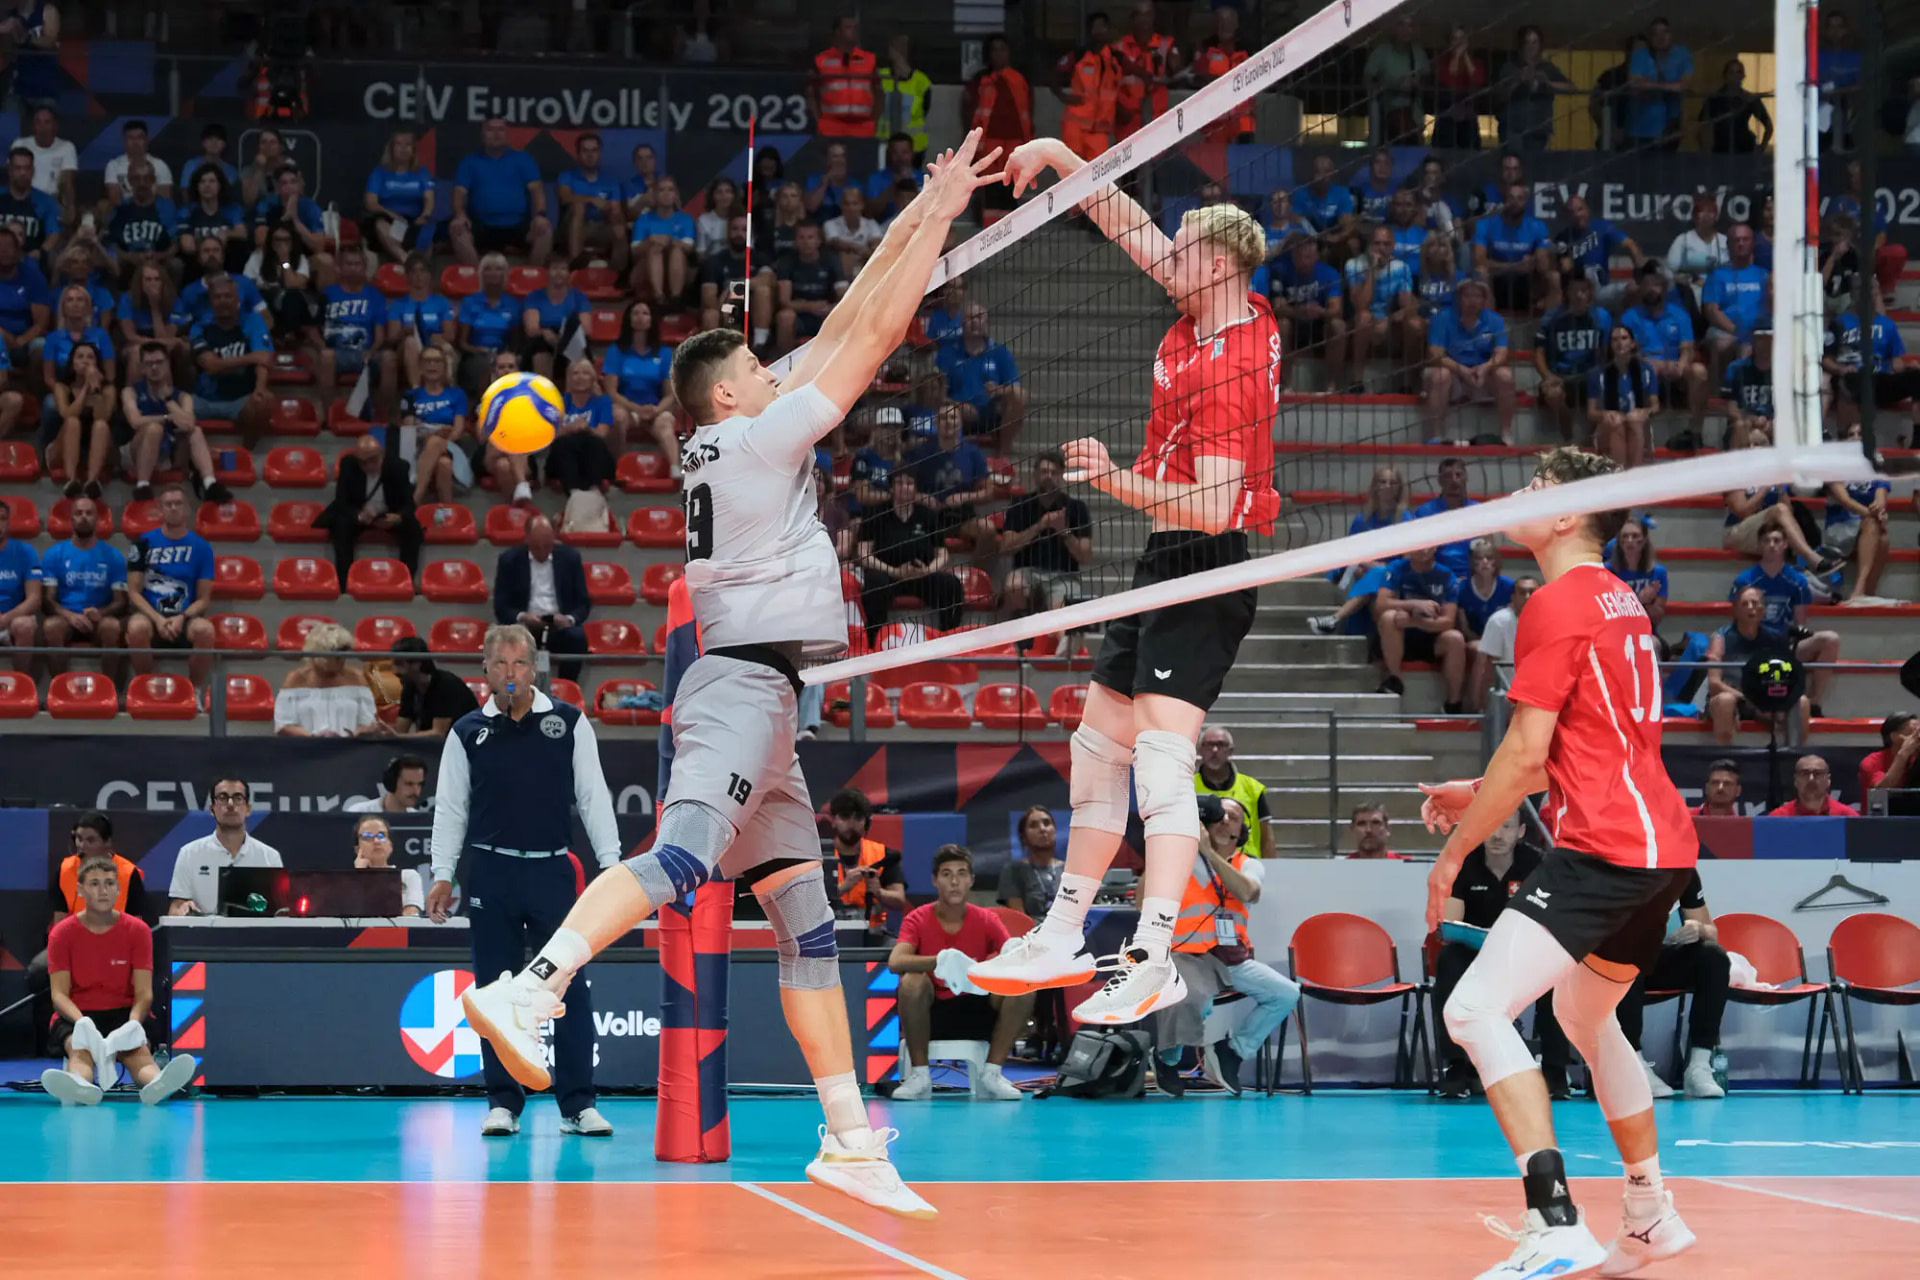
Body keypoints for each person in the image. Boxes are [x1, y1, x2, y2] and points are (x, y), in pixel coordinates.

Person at [453, 135, 996, 1218]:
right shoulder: (756, 442)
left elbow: (842, 322)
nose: (775, 366)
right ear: (730, 397)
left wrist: (924, 204)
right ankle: (532, 986)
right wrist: (938, 229)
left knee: (809, 922)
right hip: (740, 689)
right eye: (758, 368)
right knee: (679, 860)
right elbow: (872, 333)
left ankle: (847, 1137)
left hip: (771, 701)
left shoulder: (726, 436)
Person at [975, 138, 1282, 1019]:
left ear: (1216, 261)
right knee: (1094, 745)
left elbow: (1217, 510)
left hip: (1208, 562)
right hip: (1163, 561)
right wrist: (1056, 153)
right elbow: (1126, 221)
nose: (1162, 258)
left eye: (1180, 250)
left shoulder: (1229, 362)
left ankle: (1152, 951)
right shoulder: (1207, 310)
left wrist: (1108, 478)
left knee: (1157, 757)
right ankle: (1065, 933)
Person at [1420, 446, 1703, 1278]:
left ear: (1570, 515)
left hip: (1606, 849)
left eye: (1538, 489)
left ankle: (1555, 1221)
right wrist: (1478, 786)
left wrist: (1453, 852)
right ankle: (1649, 1208)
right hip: (1662, 851)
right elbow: (1570, 752)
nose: (1518, 496)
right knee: (1585, 1018)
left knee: (1472, 1011)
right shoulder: (1622, 601)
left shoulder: (1554, 601)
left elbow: (1526, 751)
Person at [429, 625, 619, 1138]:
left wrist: (611, 864)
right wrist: (443, 873)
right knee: (494, 992)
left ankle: (578, 1105)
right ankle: (503, 1104)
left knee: (570, 988)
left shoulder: (569, 721)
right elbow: (451, 809)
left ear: (533, 668)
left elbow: (594, 796)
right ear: (485, 669)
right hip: (492, 871)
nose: (510, 674)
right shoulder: (467, 731)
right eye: (500, 665)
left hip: (553, 871)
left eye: (519, 664)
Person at [1152, 794, 1299, 1096]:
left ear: (1242, 830)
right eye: (1219, 816)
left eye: (1233, 817)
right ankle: (1167, 1059)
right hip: (1189, 956)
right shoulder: (1183, 859)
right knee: (1194, 999)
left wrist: (1211, 854)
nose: (1225, 820)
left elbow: (1249, 893)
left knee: (1286, 993)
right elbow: (1148, 896)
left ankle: (1230, 1052)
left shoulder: (1249, 864)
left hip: (1233, 959)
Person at [1432, 811, 1571, 1099]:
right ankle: (1456, 1066)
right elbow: (1452, 925)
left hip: (1524, 954)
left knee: (1557, 971)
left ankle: (1555, 1071)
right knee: (1448, 961)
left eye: (1506, 827)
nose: (1497, 835)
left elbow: (1551, 918)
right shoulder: (1465, 864)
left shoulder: (1536, 864)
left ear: (1520, 831)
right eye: (1492, 827)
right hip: (1476, 954)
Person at [41, 856, 197, 1107]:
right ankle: (80, 1086)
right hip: (77, 1014)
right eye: (94, 883)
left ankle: (156, 1083)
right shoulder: (62, 933)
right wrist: (81, 1022)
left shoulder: (138, 930)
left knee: (139, 1053)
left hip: (125, 1012)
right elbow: (59, 994)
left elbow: (144, 993)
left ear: (119, 889)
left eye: (109, 883)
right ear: (80, 889)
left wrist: (133, 1024)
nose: (102, 890)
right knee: (80, 1051)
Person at [888, 845, 1029, 1101]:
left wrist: (1014, 951)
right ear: (934, 880)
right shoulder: (917, 918)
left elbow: (1011, 955)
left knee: (1023, 986)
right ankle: (920, 1076)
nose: (954, 881)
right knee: (911, 981)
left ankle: (992, 1074)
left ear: (971, 880)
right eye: (946, 874)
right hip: (931, 1014)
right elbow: (895, 961)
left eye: (962, 873)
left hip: (978, 1009)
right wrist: (940, 960)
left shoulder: (986, 919)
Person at [1612, 870, 1731, 1100]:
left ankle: (1698, 1067)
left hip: (1659, 957)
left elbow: (1711, 931)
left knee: (1714, 957)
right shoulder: (1616, 865)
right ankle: (1634, 1067)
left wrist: (1698, 930)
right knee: (1628, 956)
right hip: (1614, 957)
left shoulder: (1683, 870)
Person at [1730, 525, 1842, 711]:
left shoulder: (1797, 581)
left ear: (1785, 545)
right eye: (1767, 541)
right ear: (1760, 545)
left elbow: (1800, 623)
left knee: (1831, 639)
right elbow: (1737, 619)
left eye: (1776, 541)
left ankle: (1813, 702)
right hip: (1753, 647)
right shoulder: (1746, 580)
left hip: (1784, 646)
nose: (1772, 545)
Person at [856, 469, 966, 638]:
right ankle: (873, 640)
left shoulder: (928, 515)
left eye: (909, 483)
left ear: (915, 488)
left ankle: (949, 637)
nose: (904, 487)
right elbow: (863, 554)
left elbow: (942, 553)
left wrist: (927, 570)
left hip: (920, 575)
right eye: (899, 483)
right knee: (874, 583)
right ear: (891, 488)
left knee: (951, 585)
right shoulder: (875, 514)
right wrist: (893, 571)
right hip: (888, 574)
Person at [125, 485, 215, 686]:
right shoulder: (142, 542)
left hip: (184, 617)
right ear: (160, 509)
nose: (173, 508)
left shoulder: (202, 547)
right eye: (168, 504)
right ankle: (143, 684)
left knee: (206, 630)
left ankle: (195, 690)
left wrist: (181, 618)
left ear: (188, 509)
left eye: (178, 503)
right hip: (150, 615)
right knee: (136, 627)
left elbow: (204, 598)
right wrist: (157, 619)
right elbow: (133, 591)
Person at [123, 340, 227, 503]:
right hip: (139, 449)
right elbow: (135, 421)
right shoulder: (130, 392)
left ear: (167, 365)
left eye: (159, 362)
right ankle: (142, 485)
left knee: (196, 431)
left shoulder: (182, 396)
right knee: (154, 429)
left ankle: (210, 484)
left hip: (170, 451)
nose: (154, 368)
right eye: (149, 364)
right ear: (142, 368)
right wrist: (167, 418)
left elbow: (189, 424)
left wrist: (168, 400)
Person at [1704, 585, 1808, 745]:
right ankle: (1725, 760)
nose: (1751, 608)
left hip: (1764, 697)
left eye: (1755, 603)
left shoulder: (1775, 639)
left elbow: (1787, 677)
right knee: (1725, 701)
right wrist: (1750, 699)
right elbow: (1714, 684)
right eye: (1745, 604)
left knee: (1801, 702)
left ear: (1763, 610)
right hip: (1734, 696)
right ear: (1735, 610)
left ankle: (1793, 756)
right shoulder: (1720, 638)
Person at [493, 514, 591, 683]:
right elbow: (501, 606)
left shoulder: (570, 558)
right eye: (537, 547)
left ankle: (567, 688)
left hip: (560, 626)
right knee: (507, 639)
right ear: (527, 540)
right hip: (524, 627)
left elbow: (583, 602)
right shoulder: (509, 560)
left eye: (547, 546)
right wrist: (523, 616)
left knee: (577, 637)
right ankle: (515, 690)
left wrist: (568, 619)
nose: (543, 552)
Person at [999, 448, 1094, 620]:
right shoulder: (1020, 504)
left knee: (1065, 614)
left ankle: (1062, 642)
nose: (1049, 476)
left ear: (1062, 475)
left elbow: (1086, 556)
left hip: (1064, 575)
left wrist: (1063, 531)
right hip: (1027, 572)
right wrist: (1040, 526)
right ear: (1035, 474)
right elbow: (1005, 547)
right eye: (1044, 472)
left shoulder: (1077, 508)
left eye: (1054, 472)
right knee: (1014, 585)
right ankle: (1023, 640)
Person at [1621, 262, 1709, 443]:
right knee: (1644, 370)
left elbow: (1687, 348)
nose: (1651, 289)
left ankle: (1695, 432)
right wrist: (1654, 364)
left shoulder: (1679, 314)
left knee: (1699, 371)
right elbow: (1626, 352)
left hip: (1675, 372)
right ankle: (1641, 436)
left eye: (1656, 284)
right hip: (1645, 372)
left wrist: (1682, 365)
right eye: (1646, 284)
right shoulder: (1630, 316)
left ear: (1664, 287)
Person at [169, 776, 283, 914]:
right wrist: (183, 908)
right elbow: (176, 906)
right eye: (223, 798)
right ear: (212, 809)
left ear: (248, 809)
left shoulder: (269, 857)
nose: (230, 804)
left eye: (238, 798)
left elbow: (279, 912)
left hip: (256, 935)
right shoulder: (189, 853)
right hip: (204, 934)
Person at [1424, 276, 1516, 445]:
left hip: (1482, 376)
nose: (1472, 301)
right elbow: (1435, 354)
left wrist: (1485, 368)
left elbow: (1501, 353)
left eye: (1477, 296)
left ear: (1484, 299)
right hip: (1453, 373)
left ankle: (1506, 433)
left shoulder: (1495, 320)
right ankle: (1435, 434)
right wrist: (1461, 370)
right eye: (1467, 295)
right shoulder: (1442, 318)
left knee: (1505, 376)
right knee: (1440, 375)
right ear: (1458, 297)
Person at [1373, 544, 1467, 709]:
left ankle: (1454, 702)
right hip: (1398, 636)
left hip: (1429, 637)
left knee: (1455, 638)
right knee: (1388, 617)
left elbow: (1448, 621)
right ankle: (1395, 679)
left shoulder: (1446, 575)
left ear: (1435, 548)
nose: (1422, 549)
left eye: (1427, 545)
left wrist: (1414, 622)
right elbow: (1381, 604)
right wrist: (1415, 604)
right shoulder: (1395, 568)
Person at [450, 117, 552, 266]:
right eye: (490, 130)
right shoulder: (469, 162)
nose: (496, 134)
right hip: (482, 226)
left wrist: (540, 215)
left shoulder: (523, 159)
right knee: (457, 228)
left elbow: (537, 191)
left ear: (507, 134)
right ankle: (477, 280)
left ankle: (534, 277)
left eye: (501, 130)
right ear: (482, 134)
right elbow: (459, 193)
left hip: (517, 226)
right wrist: (460, 214)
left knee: (545, 228)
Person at [187, 274, 275, 446]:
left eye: (228, 296)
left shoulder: (253, 320)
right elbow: (210, 366)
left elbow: (263, 360)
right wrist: (250, 357)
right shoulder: (199, 327)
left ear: (238, 299)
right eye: (217, 297)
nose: (223, 301)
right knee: (172, 408)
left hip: (240, 399)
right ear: (211, 301)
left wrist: (260, 388)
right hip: (204, 399)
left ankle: (247, 451)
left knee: (265, 401)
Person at [313, 243, 394, 418]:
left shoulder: (375, 295)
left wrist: (372, 351)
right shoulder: (328, 293)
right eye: (348, 264)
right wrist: (322, 347)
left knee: (389, 358)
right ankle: (331, 416)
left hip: (365, 352)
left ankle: (382, 416)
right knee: (326, 357)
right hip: (336, 353)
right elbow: (313, 329)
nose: (353, 268)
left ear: (364, 268)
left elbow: (380, 335)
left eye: (357, 264)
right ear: (340, 268)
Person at [935, 301, 1025, 450]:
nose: (975, 322)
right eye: (970, 318)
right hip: (958, 412)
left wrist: (999, 390)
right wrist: (957, 405)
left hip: (990, 411)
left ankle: (1003, 454)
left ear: (986, 322)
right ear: (962, 323)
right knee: (946, 410)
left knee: (1019, 395)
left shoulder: (1000, 352)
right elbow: (938, 394)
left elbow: (1015, 387)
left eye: (979, 317)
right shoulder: (946, 353)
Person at [601, 299, 680, 469]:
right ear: (628, 319)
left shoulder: (665, 353)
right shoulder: (616, 350)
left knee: (665, 422)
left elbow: (670, 394)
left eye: (645, 313)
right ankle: (615, 466)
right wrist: (637, 409)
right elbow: (611, 392)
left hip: (655, 408)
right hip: (627, 407)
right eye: (635, 313)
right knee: (617, 416)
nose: (640, 317)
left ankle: (675, 470)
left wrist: (656, 410)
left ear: (652, 320)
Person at [1535, 276, 1612, 443]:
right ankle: (1568, 438)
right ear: (1566, 293)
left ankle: (1589, 439)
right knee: (1553, 393)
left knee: (1607, 384)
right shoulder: (1552, 317)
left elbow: (1605, 353)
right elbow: (1538, 353)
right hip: (1560, 375)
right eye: (1574, 291)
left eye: (1583, 291)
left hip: (1589, 375)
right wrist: (1547, 376)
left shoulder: (1602, 317)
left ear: (1590, 293)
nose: (1579, 295)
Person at [1344, 224, 1418, 392]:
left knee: (1413, 324)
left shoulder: (1402, 268)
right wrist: (1372, 270)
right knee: (1364, 317)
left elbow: (1407, 306)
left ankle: (1406, 382)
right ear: (1369, 245)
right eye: (1377, 243)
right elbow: (1361, 305)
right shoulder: (1353, 265)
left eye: (1386, 244)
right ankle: (1357, 380)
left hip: (1389, 323)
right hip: (1360, 322)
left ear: (1392, 246)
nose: (1381, 248)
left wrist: (1389, 320)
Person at [1268, 236, 1348, 389]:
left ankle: (1332, 385)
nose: (1304, 261)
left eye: (1309, 256)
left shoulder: (1329, 273)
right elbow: (1277, 307)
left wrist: (1320, 311)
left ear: (1317, 256)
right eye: (1300, 256)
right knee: (1282, 324)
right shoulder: (1281, 271)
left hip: (1319, 323)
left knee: (1338, 325)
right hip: (1294, 321)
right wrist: (1300, 311)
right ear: (1293, 256)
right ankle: (1286, 385)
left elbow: (1336, 309)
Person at [275, 623, 379, 738]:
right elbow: (284, 725)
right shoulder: (296, 679)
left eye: (344, 656)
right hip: (307, 749)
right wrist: (313, 736)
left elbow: (369, 723)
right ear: (318, 656)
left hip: (350, 748)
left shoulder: (356, 677)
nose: (342, 661)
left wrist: (355, 734)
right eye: (336, 657)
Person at [1473, 182, 1559, 316]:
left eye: (1520, 198)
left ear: (1526, 202)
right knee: (1480, 272)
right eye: (1511, 198)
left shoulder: (1538, 226)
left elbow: (1543, 264)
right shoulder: (1485, 224)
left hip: (1526, 281)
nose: (1515, 202)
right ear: (1504, 201)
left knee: (1554, 277)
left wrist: (1534, 261)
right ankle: (1489, 327)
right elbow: (1479, 260)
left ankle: (1546, 328)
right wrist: (1514, 266)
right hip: (1496, 280)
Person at [45, 340, 115, 503]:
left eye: (90, 357)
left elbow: (103, 416)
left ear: (97, 364)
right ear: (72, 363)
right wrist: (85, 389)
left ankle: (92, 481)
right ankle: (71, 481)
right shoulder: (62, 387)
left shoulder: (108, 389)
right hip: (64, 446)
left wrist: (95, 388)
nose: (85, 361)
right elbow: (67, 413)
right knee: (72, 422)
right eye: (80, 357)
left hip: (97, 448)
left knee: (101, 425)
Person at [402, 345, 471, 506]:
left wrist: (438, 438)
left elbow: (458, 430)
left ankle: (415, 498)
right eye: (427, 361)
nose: (432, 365)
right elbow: (408, 432)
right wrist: (432, 435)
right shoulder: (411, 396)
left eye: (437, 361)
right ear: (420, 366)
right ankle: (447, 512)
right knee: (443, 464)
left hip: (450, 445)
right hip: (417, 448)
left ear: (444, 366)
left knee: (437, 444)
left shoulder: (457, 394)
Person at [1585, 324, 1660, 470]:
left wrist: (1645, 412)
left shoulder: (1646, 370)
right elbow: (1591, 413)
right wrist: (1605, 414)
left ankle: (1634, 475)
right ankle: (1619, 475)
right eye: (1615, 340)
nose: (1620, 343)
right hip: (1609, 425)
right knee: (1616, 422)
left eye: (1624, 338)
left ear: (1633, 343)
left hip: (1636, 422)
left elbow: (1655, 405)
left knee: (1634, 418)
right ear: (1610, 345)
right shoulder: (1597, 374)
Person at [1194, 724, 1273, 860]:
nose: (1214, 750)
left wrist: (1272, 870)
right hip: (1199, 866)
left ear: (1231, 751)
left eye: (1221, 745)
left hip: (1246, 867)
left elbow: (1267, 838)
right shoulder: (1187, 786)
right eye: (1209, 745)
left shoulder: (1252, 788)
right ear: (1200, 750)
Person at [362, 126, 437, 264]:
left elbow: (429, 199)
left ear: (414, 150)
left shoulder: (422, 173)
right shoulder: (379, 173)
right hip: (390, 221)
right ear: (391, 149)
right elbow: (371, 202)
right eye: (399, 144)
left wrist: (425, 214)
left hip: (414, 222)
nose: (403, 148)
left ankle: (419, 266)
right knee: (380, 223)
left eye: (408, 145)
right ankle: (408, 261)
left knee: (428, 229)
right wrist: (391, 214)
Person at [555, 132, 626, 274]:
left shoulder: (611, 182)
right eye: (585, 151)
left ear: (600, 153)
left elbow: (616, 209)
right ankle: (576, 266)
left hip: (600, 226)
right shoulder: (567, 176)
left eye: (594, 150)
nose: (590, 155)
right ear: (578, 154)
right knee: (579, 207)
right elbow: (565, 197)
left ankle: (617, 275)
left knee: (618, 223)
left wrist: (612, 213)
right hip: (572, 227)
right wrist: (592, 199)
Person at [1497, 26, 1575, 151]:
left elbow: (1571, 88)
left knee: (1535, 167)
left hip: (1539, 130)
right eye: (1527, 42)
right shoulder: (1510, 67)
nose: (1531, 46)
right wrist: (1519, 80)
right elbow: (1500, 96)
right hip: (1512, 130)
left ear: (1540, 45)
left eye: (1535, 42)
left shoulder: (1547, 67)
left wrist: (1548, 83)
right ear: (1520, 45)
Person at [773, 222, 845, 356]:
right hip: (799, 314)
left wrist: (833, 307)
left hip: (825, 312)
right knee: (785, 317)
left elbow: (844, 293)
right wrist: (810, 306)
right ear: (795, 241)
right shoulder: (786, 261)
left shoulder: (831, 259)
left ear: (818, 240)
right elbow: (784, 301)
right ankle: (785, 364)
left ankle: (830, 362)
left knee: (840, 314)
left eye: (810, 237)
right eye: (801, 237)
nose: (806, 242)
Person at [1057, 11, 1120, 162]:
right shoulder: (1079, 55)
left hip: (1099, 130)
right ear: (1089, 31)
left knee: (1098, 177)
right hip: (1075, 127)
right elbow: (1053, 75)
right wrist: (1063, 96)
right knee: (1072, 173)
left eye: (1102, 27)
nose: (1099, 31)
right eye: (1095, 27)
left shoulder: (1116, 59)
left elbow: (1135, 74)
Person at [549, 358, 618, 495]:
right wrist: (570, 428)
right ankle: (574, 492)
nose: (580, 378)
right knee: (564, 443)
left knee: (594, 442)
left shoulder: (603, 401)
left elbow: (602, 433)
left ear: (593, 379)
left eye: (585, 373)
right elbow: (550, 436)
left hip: (592, 456)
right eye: (575, 373)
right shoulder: (558, 401)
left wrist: (586, 428)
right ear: (568, 379)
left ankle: (594, 490)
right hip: (564, 459)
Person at [387, 636, 479, 739]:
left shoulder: (446, 685)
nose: (395, 671)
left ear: (417, 663)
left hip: (466, 745)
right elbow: (400, 731)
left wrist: (400, 737)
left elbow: (438, 733)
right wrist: (385, 732)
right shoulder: (410, 687)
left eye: (398, 664)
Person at [118, 258, 190, 387]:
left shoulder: (175, 301)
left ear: (163, 282)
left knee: (163, 353)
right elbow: (130, 336)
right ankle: (132, 400)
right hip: (134, 345)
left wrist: (154, 307)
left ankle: (165, 400)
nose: (152, 284)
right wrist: (158, 343)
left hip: (164, 344)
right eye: (148, 279)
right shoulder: (127, 299)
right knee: (136, 351)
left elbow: (165, 339)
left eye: (157, 279)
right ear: (140, 283)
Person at [520, 254, 589, 383]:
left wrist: (564, 338)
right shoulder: (534, 296)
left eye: (563, 269)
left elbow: (586, 328)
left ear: (569, 273)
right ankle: (545, 392)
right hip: (544, 338)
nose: (559, 273)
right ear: (547, 272)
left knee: (574, 338)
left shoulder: (579, 296)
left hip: (571, 336)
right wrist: (544, 332)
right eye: (555, 268)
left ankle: (574, 397)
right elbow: (531, 328)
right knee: (540, 347)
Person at [1627, 18, 1694, 150]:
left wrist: (1649, 84)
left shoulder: (1682, 54)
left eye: (1665, 32)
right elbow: (1634, 83)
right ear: (1650, 38)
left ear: (1672, 35)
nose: (1661, 37)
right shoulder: (1641, 55)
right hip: (1640, 128)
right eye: (1655, 34)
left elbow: (1684, 84)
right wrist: (1670, 86)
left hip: (1670, 127)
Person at [629, 174, 696, 305]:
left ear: (676, 195)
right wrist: (650, 240)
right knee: (655, 248)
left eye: (670, 190)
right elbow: (634, 252)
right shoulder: (644, 219)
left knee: (677, 250)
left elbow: (689, 248)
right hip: (645, 270)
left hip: (680, 268)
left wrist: (669, 240)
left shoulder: (685, 219)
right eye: (661, 190)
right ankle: (658, 298)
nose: (666, 194)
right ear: (655, 195)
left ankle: (676, 300)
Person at [1363, 15, 1430, 145]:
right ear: (1393, 28)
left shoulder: (1418, 52)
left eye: (1410, 25)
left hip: (1414, 120)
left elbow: (1428, 80)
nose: (1406, 30)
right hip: (1386, 117)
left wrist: (1416, 84)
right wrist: (1393, 86)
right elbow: (1367, 80)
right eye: (1401, 24)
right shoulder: (1382, 52)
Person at [810, 15, 878, 138]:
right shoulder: (821, 60)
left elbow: (879, 93)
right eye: (848, 27)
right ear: (837, 32)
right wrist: (819, 121)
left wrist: (874, 120)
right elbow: (811, 93)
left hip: (863, 126)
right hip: (831, 126)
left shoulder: (869, 59)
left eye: (855, 28)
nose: (854, 31)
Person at [11, 106, 77, 224]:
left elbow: (67, 182)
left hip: (52, 199)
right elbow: (12, 177)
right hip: (25, 196)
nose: (42, 127)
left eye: (47, 122)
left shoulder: (66, 147)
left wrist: (69, 205)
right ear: (33, 125)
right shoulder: (20, 143)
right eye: (38, 122)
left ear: (55, 126)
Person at [351, 814, 425, 916]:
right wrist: (360, 875)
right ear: (357, 849)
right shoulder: (349, 883)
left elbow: (411, 913)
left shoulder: (408, 876)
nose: (376, 841)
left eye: (381, 836)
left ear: (390, 846)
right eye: (367, 837)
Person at [0, 144, 61, 263]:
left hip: (32, 263)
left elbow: (53, 235)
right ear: (10, 170)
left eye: (27, 168)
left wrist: (40, 252)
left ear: (33, 171)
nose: (23, 173)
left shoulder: (46, 202)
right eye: (18, 168)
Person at [1722, 321, 1776, 450]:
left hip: (1771, 424)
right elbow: (1730, 408)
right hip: (1744, 423)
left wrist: (1768, 423)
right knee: (1740, 425)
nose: (1765, 345)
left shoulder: (1785, 370)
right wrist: (1751, 420)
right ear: (1753, 341)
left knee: (1781, 427)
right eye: (1761, 340)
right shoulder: (1736, 368)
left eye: (1769, 340)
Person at [0, 499, 42, 666]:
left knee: (24, 624)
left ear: (8, 523)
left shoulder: (26, 552)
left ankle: (20, 682)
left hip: (13, 620)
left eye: (2, 518)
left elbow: (35, 598)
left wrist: (5, 618)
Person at [1001, 806, 1063, 919]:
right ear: (1024, 837)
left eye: (1047, 823)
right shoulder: (1013, 871)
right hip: (1031, 934)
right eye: (1033, 826)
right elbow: (1019, 920)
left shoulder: (1069, 870)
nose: (1042, 829)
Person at [1607, 517, 1669, 631]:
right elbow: (1605, 614)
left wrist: (1649, 604)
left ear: (1644, 540)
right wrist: (1637, 601)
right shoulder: (1607, 571)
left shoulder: (1658, 572)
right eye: (1625, 536)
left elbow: (1657, 619)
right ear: (1619, 541)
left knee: (1655, 644)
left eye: (1635, 536)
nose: (1630, 540)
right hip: (1615, 631)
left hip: (1645, 632)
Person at [877, 33, 933, 158]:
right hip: (884, 145)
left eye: (902, 48)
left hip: (914, 147)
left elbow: (925, 110)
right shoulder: (880, 76)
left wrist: (899, 62)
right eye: (895, 47)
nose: (898, 52)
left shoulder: (921, 81)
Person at [1702, 58, 1773, 154]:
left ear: (1743, 76)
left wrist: (1762, 148)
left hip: (1745, 150)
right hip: (1720, 151)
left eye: (1738, 72)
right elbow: (1700, 126)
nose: (1735, 76)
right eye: (1731, 72)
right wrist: (1705, 148)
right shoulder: (1714, 99)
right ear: (1725, 75)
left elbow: (1768, 126)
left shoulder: (1750, 99)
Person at [820, 185, 884, 281]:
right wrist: (860, 249)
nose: (851, 208)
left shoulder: (871, 224)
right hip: (839, 273)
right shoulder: (830, 224)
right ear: (841, 205)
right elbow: (835, 243)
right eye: (847, 204)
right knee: (841, 256)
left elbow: (877, 244)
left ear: (862, 205)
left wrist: (859, 253)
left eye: (855, 204)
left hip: (865, 267)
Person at [345, 750, 432, 814]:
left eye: (420, 784)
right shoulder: (358, 812)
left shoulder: (419, 820)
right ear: (391, 783)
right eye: (409, 784)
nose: (416, 791)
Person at [1770, 754, 1859, 816]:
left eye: (1818, 773)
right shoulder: (1778, 818)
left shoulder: (1847, 816)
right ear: (1796, 780)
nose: (1811, 779)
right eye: (1805, 773)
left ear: (1828, 780)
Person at [1859, 713, 1920, 797]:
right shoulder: (1872, 762)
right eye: (1913, 735)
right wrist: (1903, 754)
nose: (1918, 739)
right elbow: (1881, 791)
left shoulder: (1915, 758)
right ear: (1894, 736)